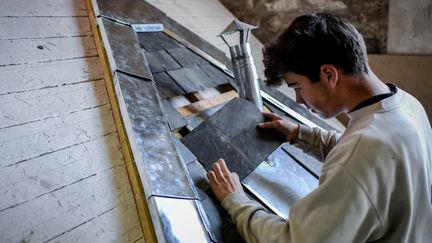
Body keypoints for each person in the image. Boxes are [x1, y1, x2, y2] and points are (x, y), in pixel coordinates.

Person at [207, 12, 432, 242]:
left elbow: (295, 240)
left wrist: (235, 200)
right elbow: (370, 158)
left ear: (328, 74)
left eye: (298, 87)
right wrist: (299, 134)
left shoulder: (363, 152)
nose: (298, 101)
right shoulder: (406, 105)